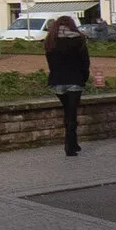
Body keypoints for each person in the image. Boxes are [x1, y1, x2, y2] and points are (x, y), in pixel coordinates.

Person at [43, 15, 90, 156]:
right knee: (72, 114)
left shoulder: (50, 40)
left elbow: (50, 62)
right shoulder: (79, 39)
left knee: (68, 112)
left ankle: (73, 143)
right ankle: (70, 146)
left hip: (57, 81)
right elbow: (85, 62)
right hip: (75, 80)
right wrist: (84, 78)